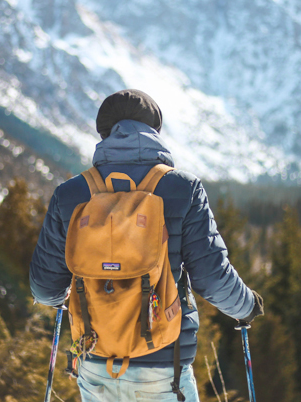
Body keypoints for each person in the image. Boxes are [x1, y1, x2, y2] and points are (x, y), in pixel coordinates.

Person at [30, 89, 264, 401]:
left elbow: (45, 289)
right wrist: (246, 306)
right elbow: (211, 279)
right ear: (154, 130)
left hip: (94, 362)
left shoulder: (70, 194)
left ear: (104, 133)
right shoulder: (183, 189)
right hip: (162, 366)